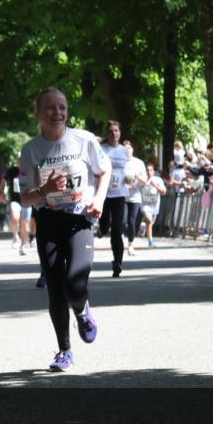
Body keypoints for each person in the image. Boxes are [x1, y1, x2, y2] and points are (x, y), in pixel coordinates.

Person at [18, 88, 110, 372]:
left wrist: (99, 199)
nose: (58, 113)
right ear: (37, 114)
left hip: (80, 219)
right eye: (50, 108)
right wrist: (44, 190)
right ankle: (65, 351)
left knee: (75, 283)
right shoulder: (30, 150)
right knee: (56, 290)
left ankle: (82, 310)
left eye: (62, 107)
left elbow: (103, 171)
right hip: (48, 222)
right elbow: (25, 198)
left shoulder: (83, 140)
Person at [98, 121, 129, 276]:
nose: (114, 134)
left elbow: (128, 171)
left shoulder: (125, 151)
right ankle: (102, 228)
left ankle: (118, 262)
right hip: (105, 194)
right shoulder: (102, 150)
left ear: (120, 133)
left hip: (120, 195)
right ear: (107, 133)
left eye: (116, 131)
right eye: (111, 131)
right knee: (105, 226)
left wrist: (130, 179)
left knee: (117, 230)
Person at [122, 140, 146, 256]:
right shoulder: (120, 162)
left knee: (132, 221)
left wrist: (137, 176)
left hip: (135, 197)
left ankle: (130, 244)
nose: (127, 150)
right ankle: (120, 240)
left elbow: (145, 181)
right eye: (125, 148)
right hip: (122, 196)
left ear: (132, 149)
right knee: (123, 221)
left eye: (129, 148)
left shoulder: (139, 163)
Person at [139, 163, 167, 247]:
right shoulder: (142, 180)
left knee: (150, 222)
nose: (148, 172)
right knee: (149, 221)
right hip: (145, 204)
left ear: (153, 171)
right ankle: (150, 241)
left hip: (155, 205)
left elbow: (163, 192)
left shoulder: (158, 180)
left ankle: (143, 226)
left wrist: (156, 186)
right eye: (147, 170)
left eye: (150, 170)